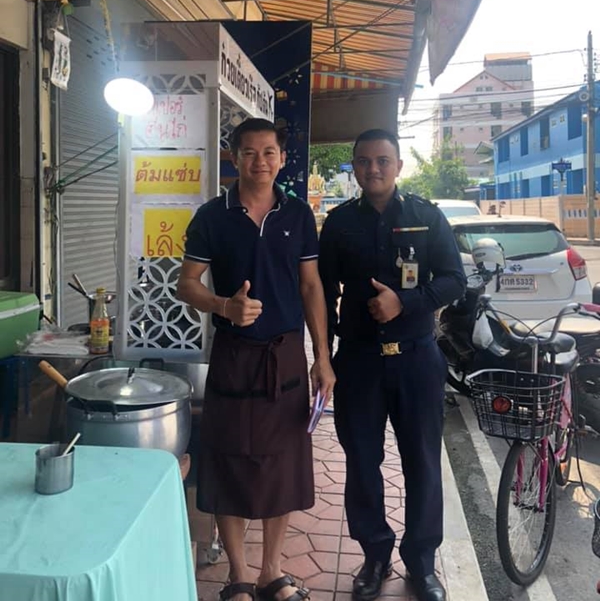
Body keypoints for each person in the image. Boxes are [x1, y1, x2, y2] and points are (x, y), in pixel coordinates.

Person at [177, 118, 335, 601]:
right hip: (231, 354)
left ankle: (271, 571)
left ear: (283, 159)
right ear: (234, 157)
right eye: (249, 152)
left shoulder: (298, 216)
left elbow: (311, 286)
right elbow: (187, 284)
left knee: (283, 461)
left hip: (285, 353)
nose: (260, 161)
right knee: (228, 457)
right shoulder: (211, 215)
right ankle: (238, 576)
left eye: (269, 152)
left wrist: (322, 357)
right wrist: (224, 305)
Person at [318, 129, 466, 601]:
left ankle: (421, 564)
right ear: (354, 168)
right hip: (359, 362)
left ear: (398, 165)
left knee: (422, 462)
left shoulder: (427, 216)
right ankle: (375, 555)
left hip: (417, 361)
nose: (373, 169)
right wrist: (322, 358)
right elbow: (320, 292)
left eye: (383, 160)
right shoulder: (339, 224)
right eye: (363, 161)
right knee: (363, 463)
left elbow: (454, 281)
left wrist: (406, 303)